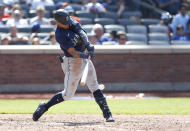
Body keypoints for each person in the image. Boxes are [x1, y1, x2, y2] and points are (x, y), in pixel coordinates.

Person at [32, 9, 114, 122]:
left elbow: (82, 33)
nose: (68, 24)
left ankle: (108, 114)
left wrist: (88, 45)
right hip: (72, 61)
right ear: (58, 22)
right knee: (68, 95)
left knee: (94, 86)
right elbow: (72, 52)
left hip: (84, 57)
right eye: (65, 23)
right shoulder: (59, 34)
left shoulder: (71, 21)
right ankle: (44, 106)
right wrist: (84, 56)